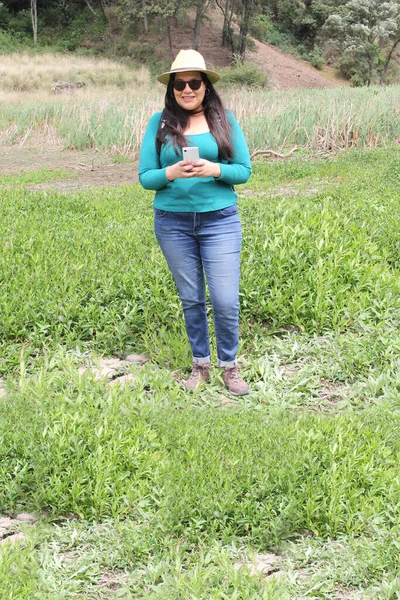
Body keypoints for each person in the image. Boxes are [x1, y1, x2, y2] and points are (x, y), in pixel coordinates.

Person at [138, 49, 251, 395]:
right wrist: (170, 172)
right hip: (172, 223)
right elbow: (145, 177)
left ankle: (229, 367)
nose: (187, 90)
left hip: (220, 221)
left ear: (206, 86)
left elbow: (244, 171)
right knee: (191, 298)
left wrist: (214, 169)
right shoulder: (159, 122)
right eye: (179, 84)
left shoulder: (224, 120)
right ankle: (200, 364)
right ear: (171, 88)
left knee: (225, 299)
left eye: (194, 82)